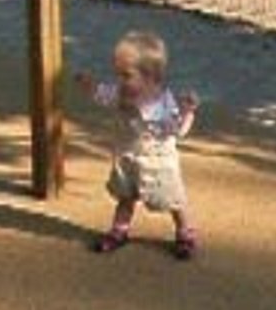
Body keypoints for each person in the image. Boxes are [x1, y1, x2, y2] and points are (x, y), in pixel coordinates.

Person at [75, 30, 200, 259]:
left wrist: (187, 112)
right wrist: (89, 86)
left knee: (173, 198)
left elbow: (177, 129)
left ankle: (185, 232)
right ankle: (119, 230)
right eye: (118, 74)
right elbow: (102, 94)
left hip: (158, 161)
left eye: (126, 75)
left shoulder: (163, 101)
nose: (120, 81)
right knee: (126, 196)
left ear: (151, 77)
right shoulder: (121, 93)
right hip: (128, 157)